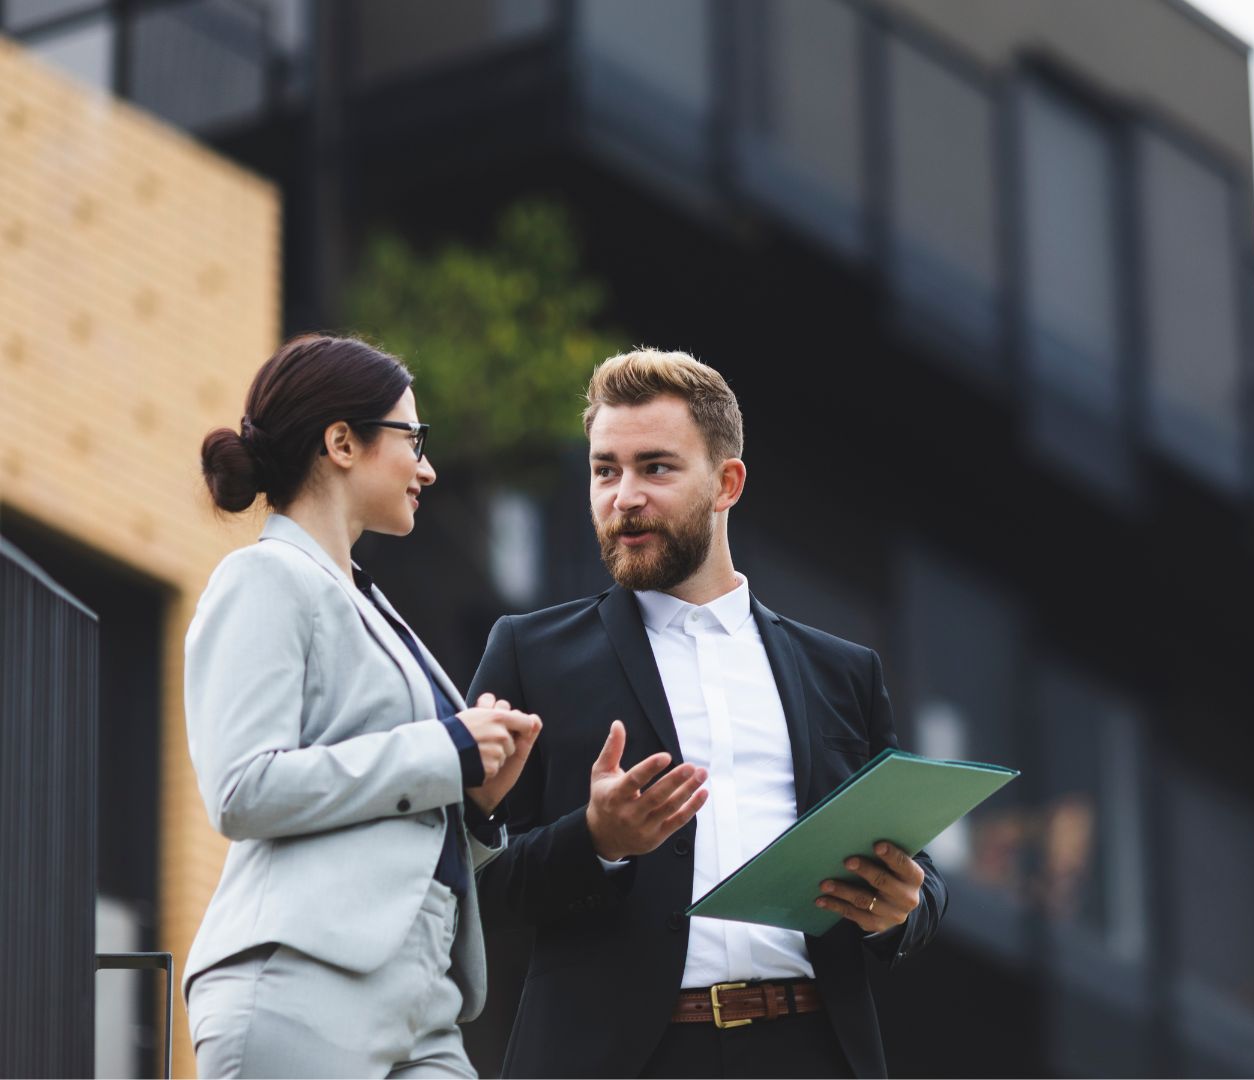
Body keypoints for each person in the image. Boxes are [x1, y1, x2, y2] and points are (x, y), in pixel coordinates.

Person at [472, 348, 945, 1078]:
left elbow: (916, 870)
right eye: (605, 470)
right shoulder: (529, 654)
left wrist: (904, 907)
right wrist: (595, 839)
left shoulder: (843, 672)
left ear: (727, 483)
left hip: (810, 1049)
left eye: (655, 468)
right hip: (619, 1061)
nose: (624, 496)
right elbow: (468, 880)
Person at [183, 334, 543, 1077]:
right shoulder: (264, 579)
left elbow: (397, 827)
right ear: (342, 442)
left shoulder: (368, 604)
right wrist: (446, 751)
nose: (429, 467)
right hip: (300, 986)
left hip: (426, 1005)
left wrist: (474, 803)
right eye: (414, 439)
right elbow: (240, 787)